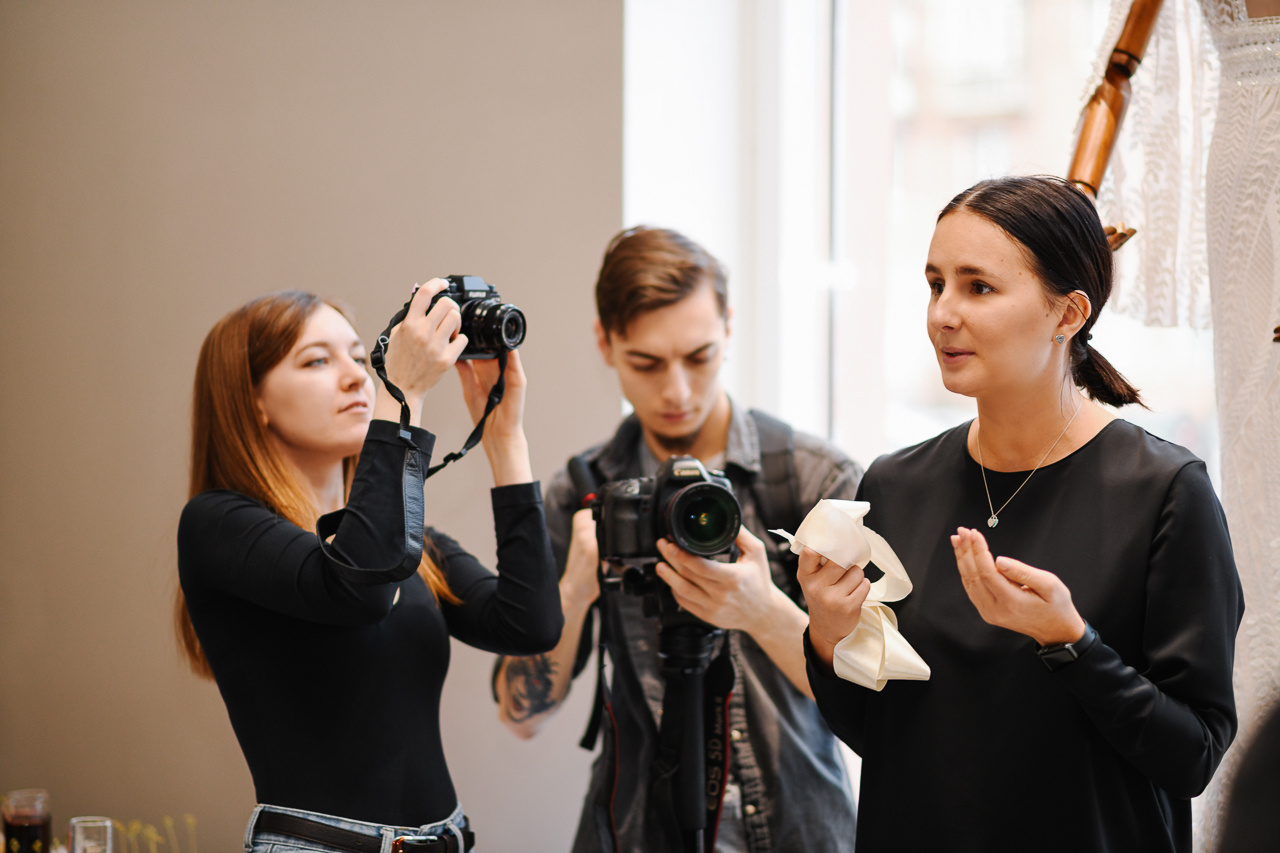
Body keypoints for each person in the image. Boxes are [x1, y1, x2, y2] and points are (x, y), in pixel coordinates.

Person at [799, 176, 1244, 853]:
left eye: (978, 287)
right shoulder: (894, 484)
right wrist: (829, 639)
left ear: (1067, 315)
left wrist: (1073, 643)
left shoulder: (1165, 491)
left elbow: (1193, 755)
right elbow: (881, 735)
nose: (943, 313)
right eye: (935, 283)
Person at [492, 227, 861, 852]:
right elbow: (519, 715)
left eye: (699, 356)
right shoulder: (583, 492)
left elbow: (872, 704)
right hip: (635, 833)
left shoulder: (811, 479)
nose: (677, 391)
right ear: (605, 343)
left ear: (729, 326)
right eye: (646, 363)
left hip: (800, 832)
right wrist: (577, 590)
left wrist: (763, 611)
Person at [175, 283, 562, 853]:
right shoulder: (217, 523)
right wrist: (400, 396)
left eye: (361, 357)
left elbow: (529, 625)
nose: (358, 377)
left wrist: (504, 440)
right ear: (251, 399)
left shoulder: (406, 544)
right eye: (316, 361)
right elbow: (358, 588)